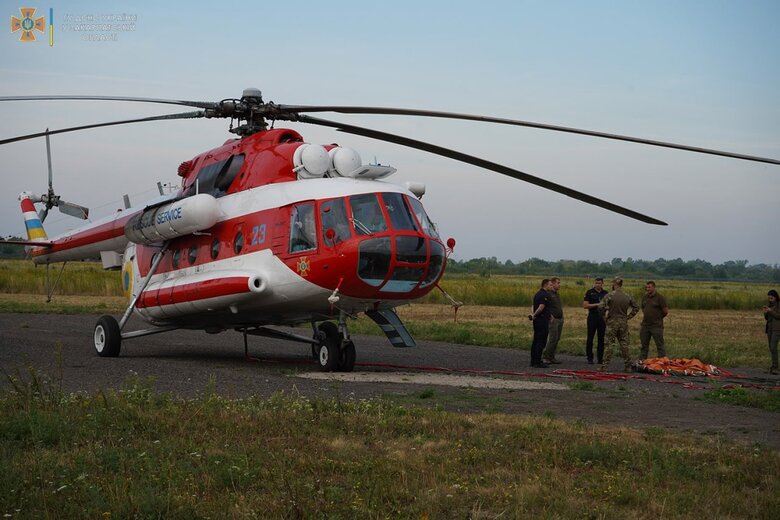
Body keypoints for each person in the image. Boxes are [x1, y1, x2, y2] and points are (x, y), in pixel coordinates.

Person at [597, 277, 639, 372]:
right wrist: (628, 317)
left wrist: (604, 316)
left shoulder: (610, 295)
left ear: (614, 284)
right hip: (623, 322)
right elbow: (636, 307)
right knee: (624, 344)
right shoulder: (627, 296)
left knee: (609, 344)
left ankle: (604, 366)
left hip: (612, 322)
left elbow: (600, 307)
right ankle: (628, 366)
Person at [639, 281, 669, 360]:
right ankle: (642, 362)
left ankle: (662, 363)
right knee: (644, 346)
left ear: (654, 287)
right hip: (645, 325)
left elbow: (665, 311)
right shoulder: (645, 297)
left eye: (649, 287)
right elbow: (643, 308)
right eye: (647, 287)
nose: (647, 289)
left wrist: (658, 318)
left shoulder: (660, 298)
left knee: (660, 346)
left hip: (656, 326)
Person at [582, 277, 607, 364]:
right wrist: (597, 304)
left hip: (602, 318)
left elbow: (608, 305)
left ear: (602, 283)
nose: (598, 285)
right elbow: (585, 305)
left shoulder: (606, 293)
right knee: (590, 338)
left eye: (599, 283)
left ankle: (600, 358)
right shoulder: (590, 292)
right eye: (596, 283)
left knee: (601, 339)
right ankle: (590, 358)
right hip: (592, 317)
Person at [528, 278, 551, 368]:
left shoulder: (537, 294)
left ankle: (533, 360)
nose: (551, 286)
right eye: (550, 285)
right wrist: (534, 314)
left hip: (538, 320)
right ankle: (537, 361)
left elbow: (533, 305)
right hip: (541, 320)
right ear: (545, 285)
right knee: (541, 341)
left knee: (536, 340)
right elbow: (541, 307)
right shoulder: (544, 295)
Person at [543, 277, 564, 364]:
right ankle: (546, 356)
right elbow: (545, 306)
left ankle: (552, 356)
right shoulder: (548, 294)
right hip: (553, 320)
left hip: (560, 318)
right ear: (553, 284)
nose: (559, 285)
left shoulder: (556, 294)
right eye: (558, 283)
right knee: (552, 338)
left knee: (557, 338)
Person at [763, 289, 780, 375]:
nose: (770, 300)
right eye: (769, 298)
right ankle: (774, 366)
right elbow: (767, 318)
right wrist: (766, 312)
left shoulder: (778, 305)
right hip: (769, 329)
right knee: (771, 348)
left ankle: (775, 367)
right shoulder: (770, 305)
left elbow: (778, 316)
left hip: (777, 329)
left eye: (771, 298)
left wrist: (771, 311)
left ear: (776, 298)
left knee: (773, 347)